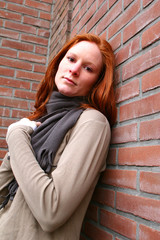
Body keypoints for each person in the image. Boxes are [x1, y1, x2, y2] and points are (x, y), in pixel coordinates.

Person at [0, 33, 117, 240]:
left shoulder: (92, 123)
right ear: (59, 62)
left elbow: (51, 211)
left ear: (96, 82)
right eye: (71, 59)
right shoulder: (41, 122)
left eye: (88, 68)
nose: (74, 70)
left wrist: (16, 135)